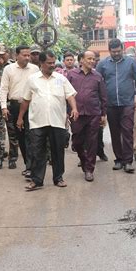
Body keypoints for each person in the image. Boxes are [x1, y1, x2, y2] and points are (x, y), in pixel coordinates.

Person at [17, 50, 79, 191]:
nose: (52, 65)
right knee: (37, 151)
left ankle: (58, 178)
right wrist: (20, 118)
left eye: (53, 62)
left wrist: (74, 109)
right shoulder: (32, 79)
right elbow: (26, 100)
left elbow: (70, 96)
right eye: (49, 63)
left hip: (57, 121)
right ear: (41, 63)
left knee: (58, 151)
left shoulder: (60, 78)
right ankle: (37, 180)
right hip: (37, 121)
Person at [97, 38, 136, 173]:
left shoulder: (131, 62)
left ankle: (128, 161)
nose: (116, 54)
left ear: (122, 49)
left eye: (118, 51)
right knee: (115, 133)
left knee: (128, 131)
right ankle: (119, 159)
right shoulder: (103, 64)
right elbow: (97, 82)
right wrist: (100, 103)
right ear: (109, 51)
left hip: (127, 103)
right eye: (113, 52)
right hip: (110, 104)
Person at [67, 51, 107, 182]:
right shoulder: (71, 75)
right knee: (77, 142)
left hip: (93, 113)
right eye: (89, 58)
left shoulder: (97, 76)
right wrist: (67, 112)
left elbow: (103, 97)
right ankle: (83, 160)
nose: (92, 61)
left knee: (92, 142)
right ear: (81, 60)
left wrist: (103, 114)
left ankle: (89, 169)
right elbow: (66, 94)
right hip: (76, 114)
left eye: (93, 59)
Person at [0, 45, 40, 172]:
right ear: (17, 55)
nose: (27, 57)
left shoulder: (34, 69)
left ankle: (31, 166)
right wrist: (4, 107)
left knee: (32, 135)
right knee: (21, 136)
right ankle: (28, 164)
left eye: (29, 55)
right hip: (15, 106)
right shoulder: (9, 69)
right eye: (24, 55)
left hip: (32, 106)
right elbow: (4, 89)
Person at [93, 51, 108, 161]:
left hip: (97, 107)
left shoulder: (99, 73)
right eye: (93, 59)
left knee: (98, 132)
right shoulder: (77, 74)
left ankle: (100, 151)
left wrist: (103, 111)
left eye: (96, 59)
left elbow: (103, 92)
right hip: (84, 108)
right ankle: (86, 156)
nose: (94, 62)